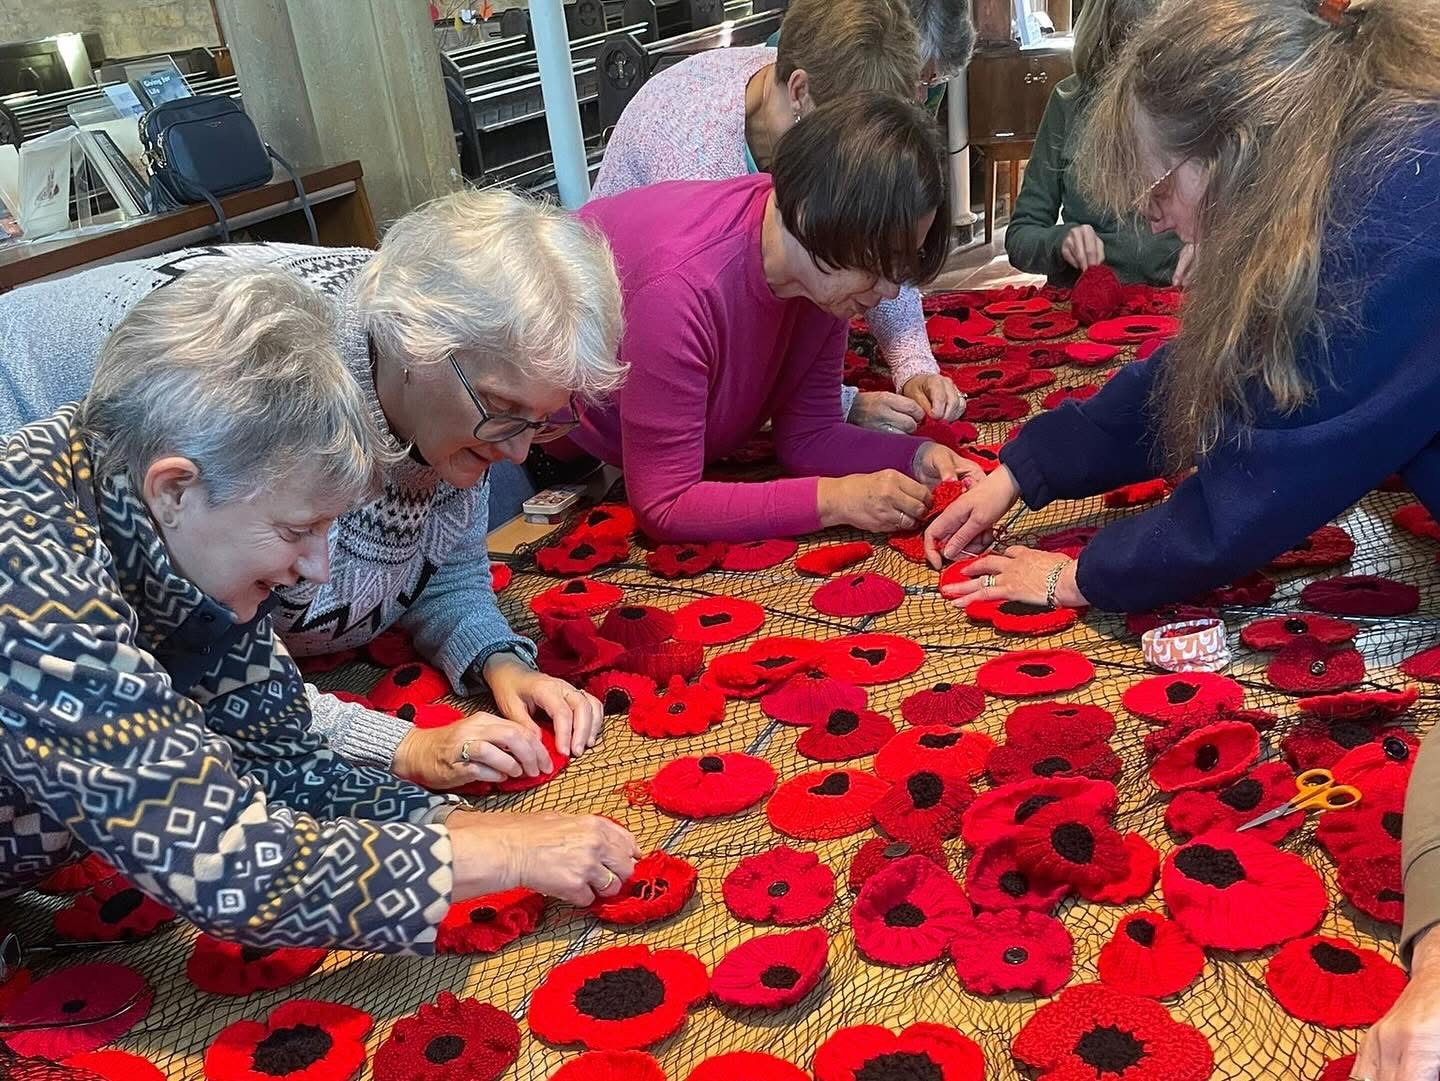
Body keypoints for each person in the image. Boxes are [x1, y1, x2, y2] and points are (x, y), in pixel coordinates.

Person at [0, 269, 639, 951]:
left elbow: (284, 759)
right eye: (294, 530)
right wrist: (504, 854)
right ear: (176, 489)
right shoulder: (28, 573)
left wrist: (454, 827)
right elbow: (231, 868)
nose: (317, 567)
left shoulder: (148, 509)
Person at [0, 189, 625, 793]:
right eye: (502, 408)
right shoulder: (268, 393)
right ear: (415, 344)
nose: (518, 451)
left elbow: (441, 564)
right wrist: (404, 747)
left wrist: (498, 658)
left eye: (543, 421)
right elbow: (203, 659)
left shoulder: (448, 390)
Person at [923, 0, 1440, 623]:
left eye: (1159, 187)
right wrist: (1025, 468)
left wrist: (1079, 575)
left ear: (1232, 153)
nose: (1154, 217)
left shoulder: (1376, 217)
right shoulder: (1348, 163)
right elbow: (1214, 372)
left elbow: (1268, 479)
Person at [563, 93, 981, 543]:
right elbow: (665, 503)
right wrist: (835, 500)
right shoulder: (682, 289)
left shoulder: (818, 269)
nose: (890, 290)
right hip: (546, 456)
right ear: (814, 219)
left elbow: (809, 437)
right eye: (878, 264)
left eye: (900, 266)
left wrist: (918, 457)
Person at [592, 0, 966, 434]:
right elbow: (722, 339)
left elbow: (875, 240)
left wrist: (913, 365)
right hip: (620, 385)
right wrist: (839, 404)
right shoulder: (691, 150)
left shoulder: (809, 76)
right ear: (801, 92)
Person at [1004, 0, 1187, 286]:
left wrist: (1209, 254)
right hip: (1082, 302)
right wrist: (1061, 241)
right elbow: (1020, 238)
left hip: (1171, 299)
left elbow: (1245, 230)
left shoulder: (1192, 104)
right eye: (1113, 78)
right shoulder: (1067, 102)